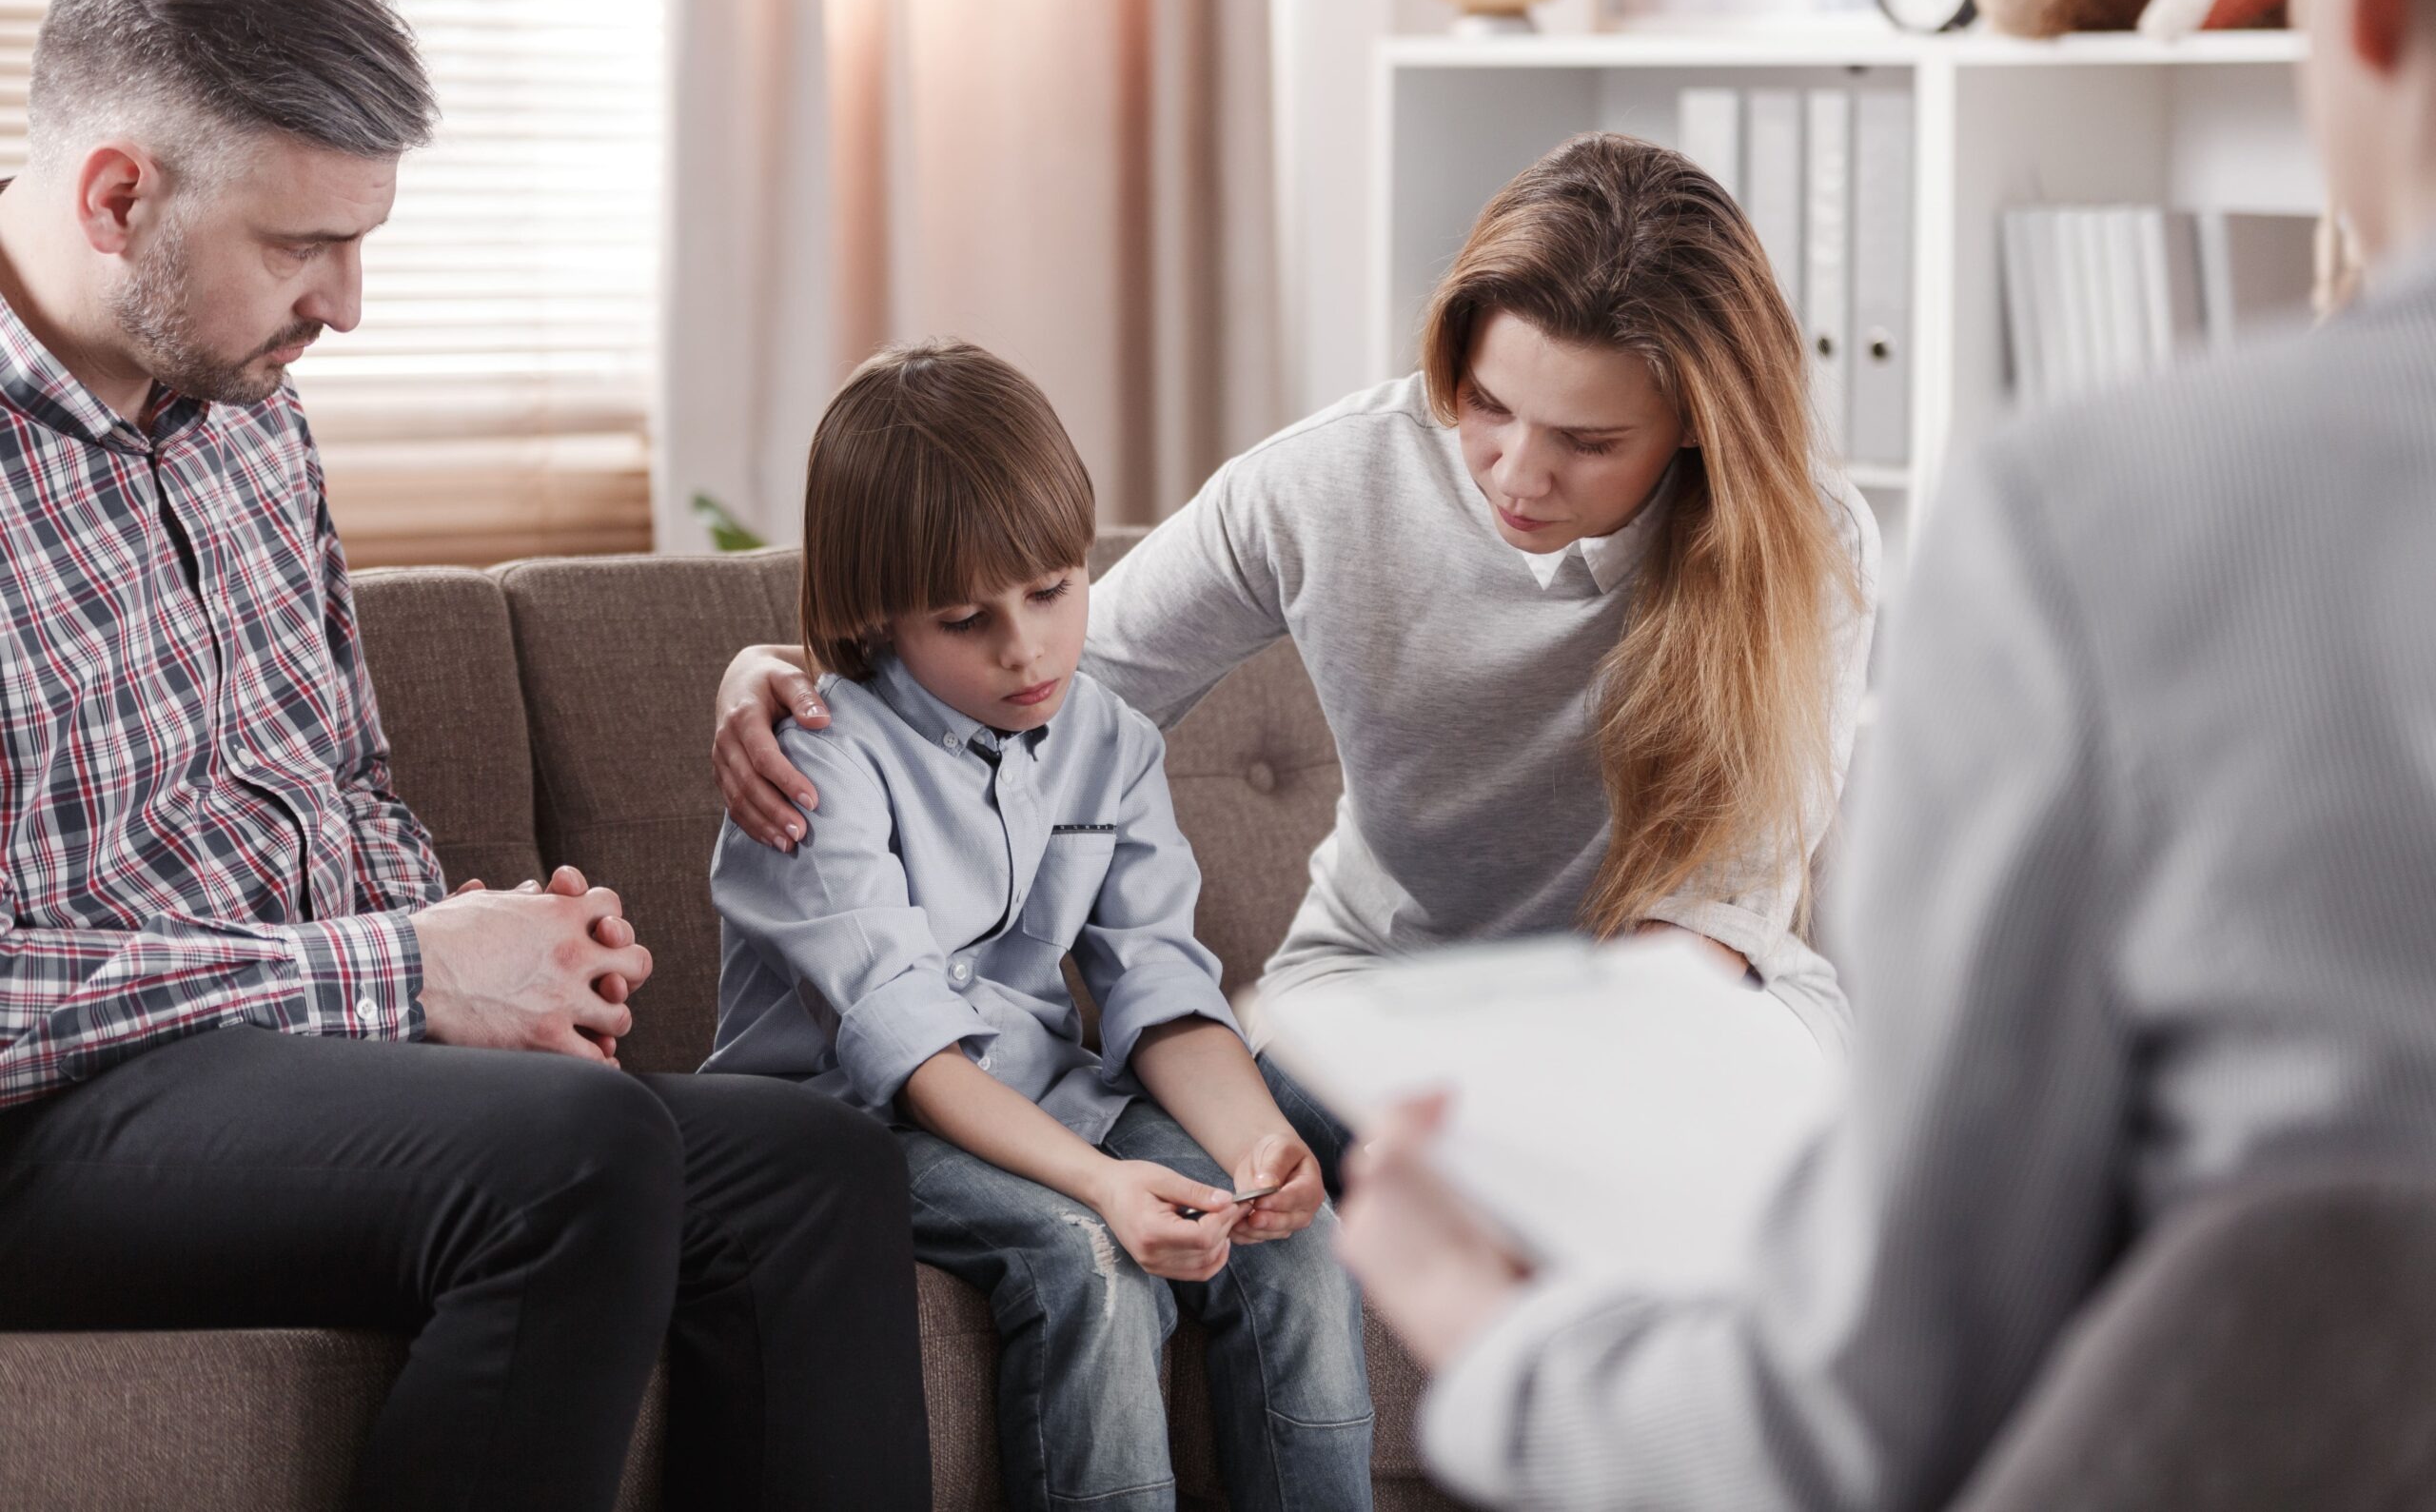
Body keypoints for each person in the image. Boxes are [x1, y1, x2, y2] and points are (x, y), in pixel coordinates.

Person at [1328, 0, 2436, 1507]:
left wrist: (1484, 1331)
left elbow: (1856, 1420)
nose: (1522, 469)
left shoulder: (2103, 527)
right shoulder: (1340, 479)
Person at [0, 0, 928, 1509]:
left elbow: (340, 779)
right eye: (303, 246)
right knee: (575, 1160)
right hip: (55, 1118)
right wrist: (398, 973)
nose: (345, 304)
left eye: (362, 243)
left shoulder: (246, 415)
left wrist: (501, 961)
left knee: (813, 1169)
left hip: (288, 1067)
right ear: (117, 196)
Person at [711, 132, 1881, 1184]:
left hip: (1680, 1003)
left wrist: (1570, 1090)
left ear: (1695, 423)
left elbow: (1714, 915)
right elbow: (1060, 683)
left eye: (1587, 441)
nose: (1517, 473)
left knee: (1714, 1158)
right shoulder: (1330, 481)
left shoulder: (1804, 545)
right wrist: (806, 673)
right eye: (1484, 404)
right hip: (1382, 992)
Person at [706, 339, 1374, 1512]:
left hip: (1048, 1098)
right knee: (1088, 1260)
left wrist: (1260, 1149)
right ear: (878, 618)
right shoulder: (816, 760)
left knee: (1295, 1242)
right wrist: (1105, 1186)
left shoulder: (1108, 738)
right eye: (967, 618)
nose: (1026, 648)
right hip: (856, 1134)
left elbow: (1160, 990)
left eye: (1054, 591)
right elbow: (913, 1057)